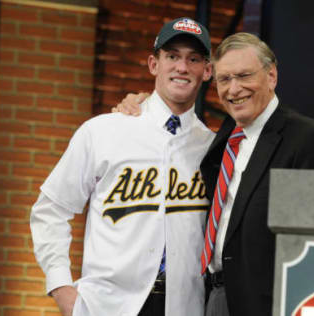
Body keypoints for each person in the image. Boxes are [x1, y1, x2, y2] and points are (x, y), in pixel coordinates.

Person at [115, 32, 314, 316]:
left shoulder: (307, 138)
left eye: (244, 76)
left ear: (271, 76)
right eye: (224, 79)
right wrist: (143, 103)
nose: (234, 89)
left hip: (269, 304)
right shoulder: (222, 138)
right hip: (212, 298)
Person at [30, 17, 214, 316]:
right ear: (154, 64)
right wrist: (61, 286)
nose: (182, 67)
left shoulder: (211, 148)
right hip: (108, 305)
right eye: (172, 56)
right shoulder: (103, 131)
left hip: (185, 306)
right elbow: (50, 209)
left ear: (207, 71)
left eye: (193, 59)